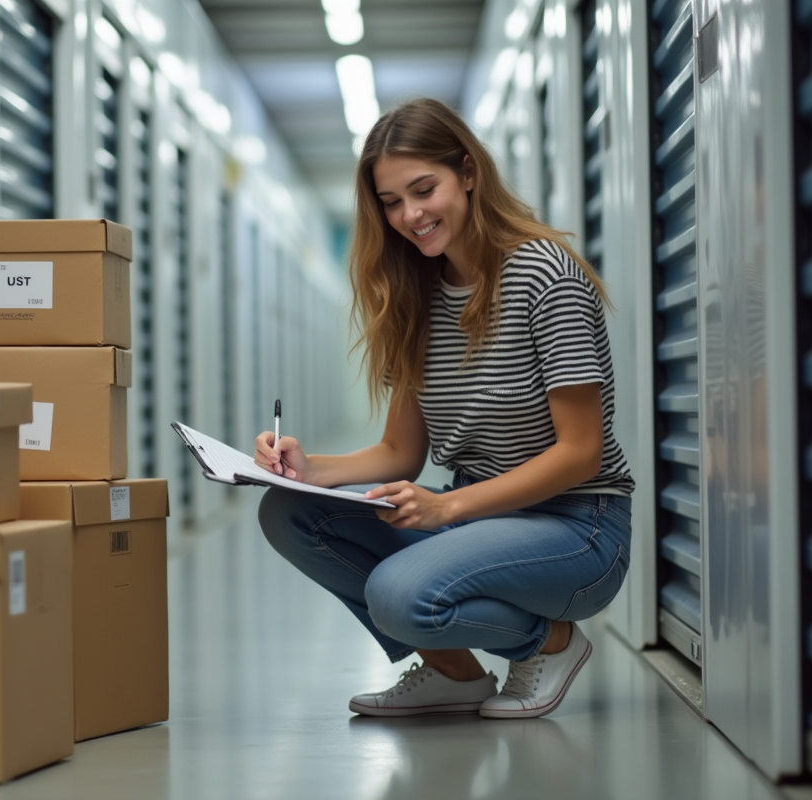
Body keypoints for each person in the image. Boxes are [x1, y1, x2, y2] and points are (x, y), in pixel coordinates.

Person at [254, 97, 634, 720]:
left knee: (400, 593)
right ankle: (454, 675)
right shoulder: (417, 294)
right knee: (289, 513)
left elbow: (580, 451)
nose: (410, 214)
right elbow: (401, 451)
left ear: (469, 173)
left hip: (579, 525)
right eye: (392, 201)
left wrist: (446, 506)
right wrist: (305, 466)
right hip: (483, 516)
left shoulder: (546, 275)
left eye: (423, 189)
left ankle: (554, 644)